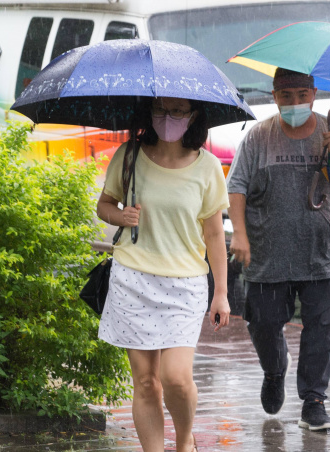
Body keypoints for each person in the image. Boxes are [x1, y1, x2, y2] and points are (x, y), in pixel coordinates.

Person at [226, 68, 330, 432]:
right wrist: (239, 234)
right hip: (267, 256)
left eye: (302, 95)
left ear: (314, 94)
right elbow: (237, 187)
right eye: (286, 96)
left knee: (323, 326)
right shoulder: (259, 137)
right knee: (263, 322)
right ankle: (274, 370)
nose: (295, 103)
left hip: (322, 254)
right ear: (274, 97)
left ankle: (314, 401)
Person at [96, 96, 232, 452]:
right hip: (133, 279)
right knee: (145, 383)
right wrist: (119, 216)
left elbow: (215, 234)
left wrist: (221, 292)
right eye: (160, 110)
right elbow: (104, 204)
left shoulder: (207, 167)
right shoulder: (129, 156)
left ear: (194, 116)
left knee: (176, 378)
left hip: (185, 284)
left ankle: (185, 439)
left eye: (177, 111)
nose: (167, 118)